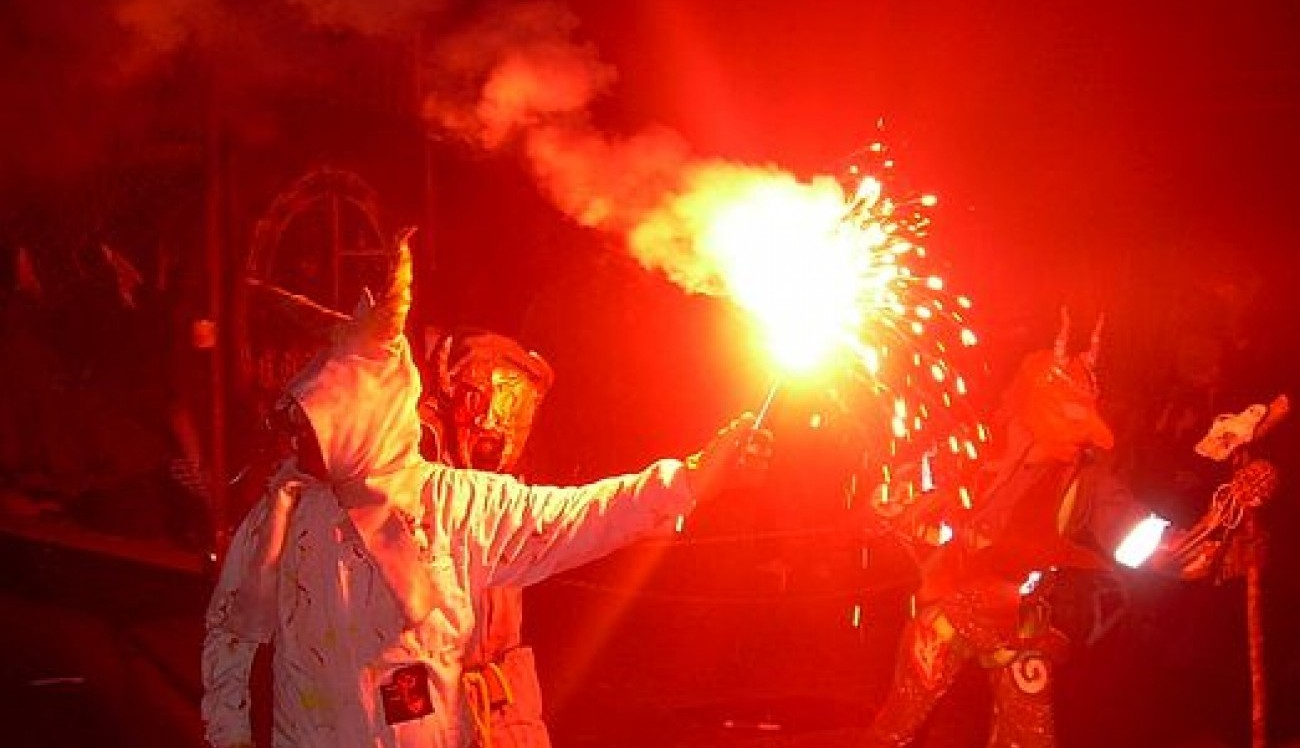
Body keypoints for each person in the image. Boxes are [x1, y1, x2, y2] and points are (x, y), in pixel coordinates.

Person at [201, 229, 769, 748]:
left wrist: (692, 477)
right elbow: (229, 636)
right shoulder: (283, 513)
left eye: (312, 416)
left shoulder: (457, 505)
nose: (296, 428)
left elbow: (580, 516)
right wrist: (229, 738)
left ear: (358, 419)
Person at [859, 309, 1270, 748]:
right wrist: (888, 506)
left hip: (1023, 625)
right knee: (900, 725)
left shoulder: (1087, 482)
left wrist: (1218, 535)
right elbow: (898, 500)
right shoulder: (972, 449)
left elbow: (1142, 540)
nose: (1077, 436)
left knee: (1029, 737)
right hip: (947, 610)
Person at [417, 325, 558, 748]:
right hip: (425, 704)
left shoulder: (507, 495)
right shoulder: (412, 483)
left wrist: (693, 483)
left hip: (502, 702)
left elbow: (597, 517)